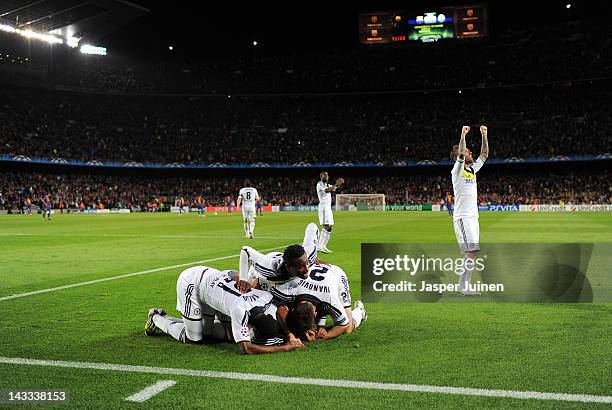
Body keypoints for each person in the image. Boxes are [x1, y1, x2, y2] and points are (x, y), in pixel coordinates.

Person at [145, 266, 303, 354]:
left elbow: (232, 273)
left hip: (213, 283)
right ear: (252, 325)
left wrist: (290, 335)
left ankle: (192, 322)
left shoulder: (266, 298)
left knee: (208, 335)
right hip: (192, 283)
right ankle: (156, 318)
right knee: (193, 339)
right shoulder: (239, 309)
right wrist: (286, 347)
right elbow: (246, 349)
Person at [271, 262, 367, 342]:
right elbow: (281, 310)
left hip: (336, 275)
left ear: (315, 312)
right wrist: (289, 334)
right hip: (315, 281)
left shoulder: (330, 300)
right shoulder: (292, 290)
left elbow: (343, 325)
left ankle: (360, 311)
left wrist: (326, 335)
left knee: (349, 328)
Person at [450, 125, 489, 296]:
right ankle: (465, 287)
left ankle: (463, 285)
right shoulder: (457, 171)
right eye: (467, 151)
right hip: (463, 217)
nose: (470, 152)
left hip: (473, 217)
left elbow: (484, 155)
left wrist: (484, 136)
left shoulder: (472, 170)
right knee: (471, 251)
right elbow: (460, 154)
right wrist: (462, 135)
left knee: (471, 252)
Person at [238, 223, 319, 287]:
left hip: (284, 270)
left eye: (306, 263)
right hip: (258, 275)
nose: (307, 269)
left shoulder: (309, 255)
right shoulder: (270, 268)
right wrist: (243, 279)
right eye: (301, 266)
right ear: (288, 268)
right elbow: (245, 250)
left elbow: (312, 226)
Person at [316, 172, 344, 253]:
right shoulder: (319, 184)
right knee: (326, 226)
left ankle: (324, 246)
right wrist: (336, 184)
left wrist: (339, 184)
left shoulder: (328, 184)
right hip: (323, 207)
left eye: (327, 175)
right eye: (325, 175)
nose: (327, 176)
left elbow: (336, 189)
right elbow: (327, 190)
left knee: (330, 227)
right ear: (321, 176)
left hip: (328, 208)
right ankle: (319, 246)